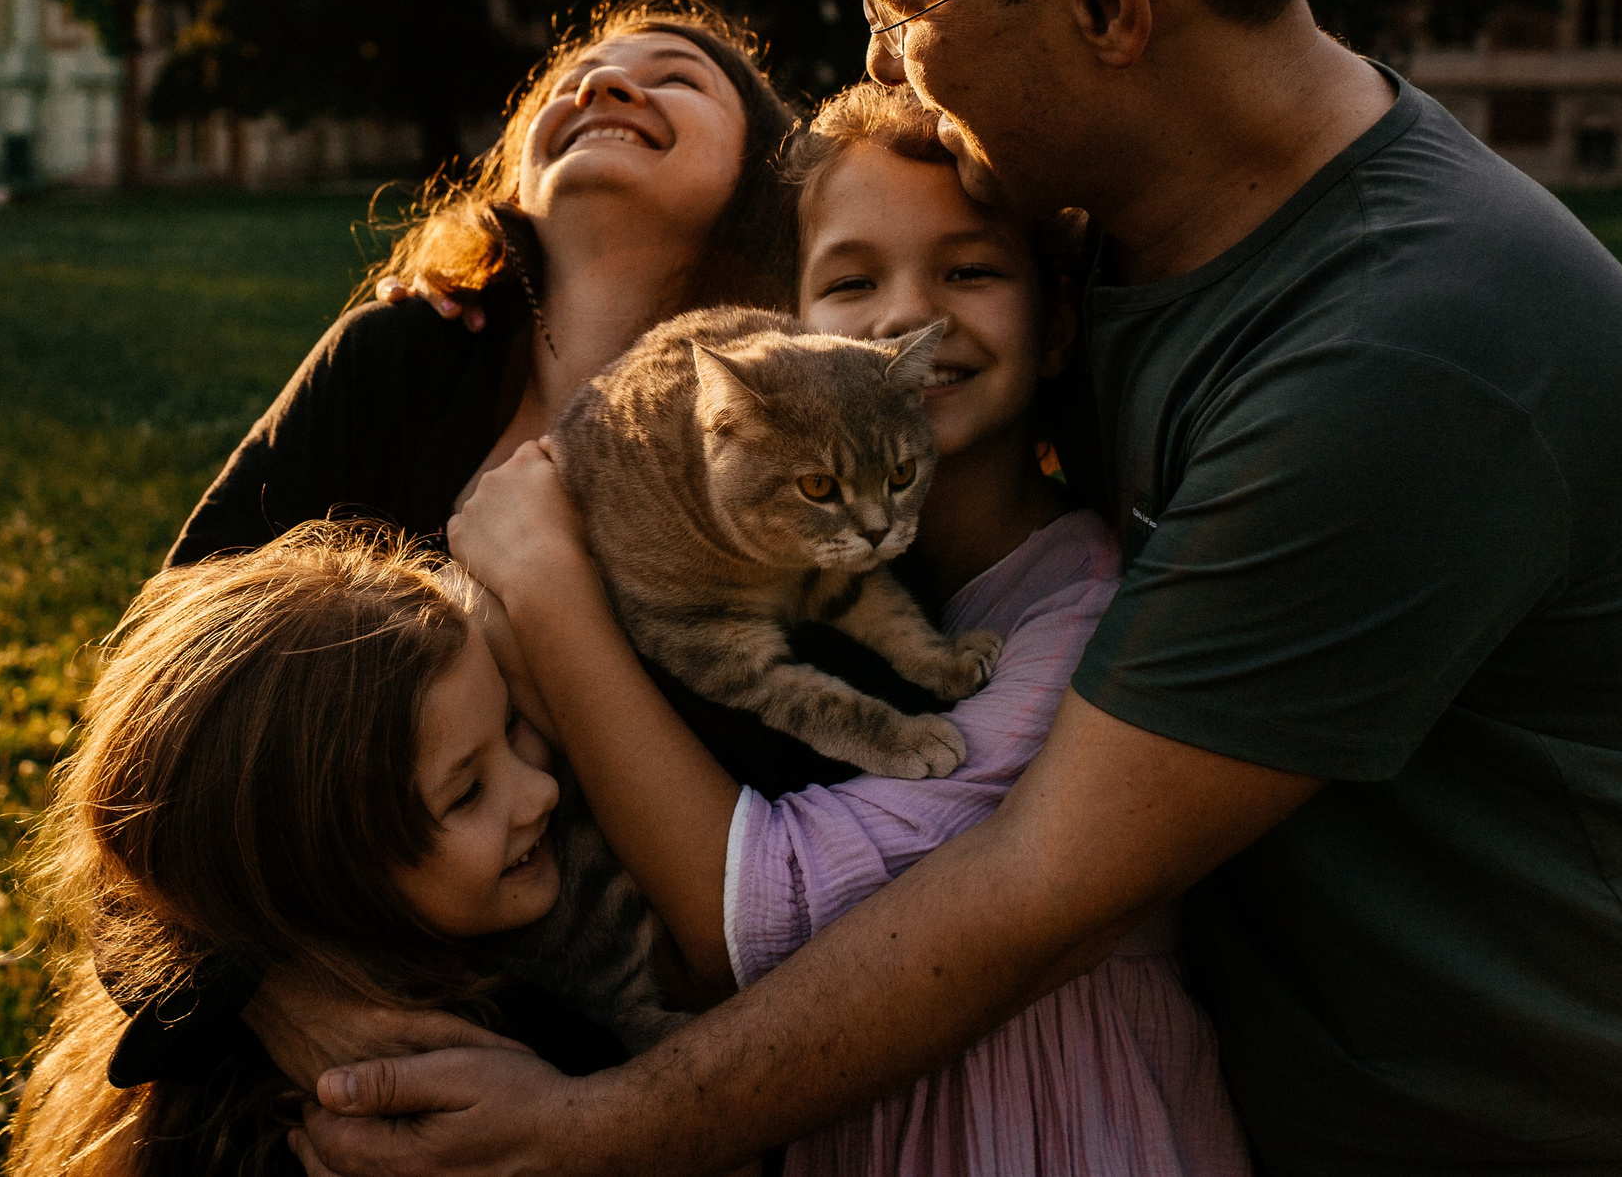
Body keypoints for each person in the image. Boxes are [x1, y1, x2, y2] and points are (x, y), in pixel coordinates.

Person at [290, 0, 1622, 1175]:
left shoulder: (1413, 351)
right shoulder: (1104, 229)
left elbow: (1036, 885)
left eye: (901, 9)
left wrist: (603, 1126)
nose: (876, 64)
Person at [444, 77, 1248, 1175]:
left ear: (1057, 318)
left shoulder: (1086, 616)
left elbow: (757, 924)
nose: (907, 318)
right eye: (851, 278)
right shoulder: (779, 561)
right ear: (793, 330)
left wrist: (545, 586)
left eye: (967, 269)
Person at [6, 525, 620, 1177]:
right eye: (467, 793)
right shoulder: (493, 1067)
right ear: (328, 878)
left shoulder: (198, 1052)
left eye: (509, 724)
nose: (542, 790)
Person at [168, 0, 799, 565]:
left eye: (675, 78)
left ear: (761, 167)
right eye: (568, 84)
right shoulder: (392, 355)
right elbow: (180, 617)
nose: (601, 84)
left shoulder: (789, 428)